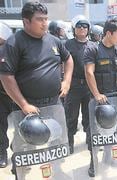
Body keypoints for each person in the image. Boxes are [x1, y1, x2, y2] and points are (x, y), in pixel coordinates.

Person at [0, 2, 73, 176]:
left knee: (55, 142)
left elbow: (68, 59)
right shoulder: (14, 43)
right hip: (27, 108)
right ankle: (21, 173)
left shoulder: (54, 41)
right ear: (26, 22)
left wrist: (67, 81)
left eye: (46, 19)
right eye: (39, 19)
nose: (44, 23)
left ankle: (55, 173)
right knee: (25, 145)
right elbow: (6, 76)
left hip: (54, 104)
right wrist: (24, 104)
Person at [84, 19, 117, 177]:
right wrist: (97, 94)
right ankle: (93, 160)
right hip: (99, 100)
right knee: (95, 132)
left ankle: (108, 156)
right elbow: (89, 72)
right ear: (108, 33)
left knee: (115, 130)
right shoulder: (93, 49)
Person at [64, 15, 95, 154]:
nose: (82, 28)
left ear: (88, 29)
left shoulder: (94, 45)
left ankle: (90, 141)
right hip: (74, 86)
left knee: (89, 116)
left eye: (85, 26)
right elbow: (61, 64)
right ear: (74, 28)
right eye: (79, 26)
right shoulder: (67, 44)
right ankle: (69, 143)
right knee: (71, 116)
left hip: (89, 87)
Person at [0, 22, 13, 168]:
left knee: (20, 125)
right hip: (1, 95)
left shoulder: (12, 49)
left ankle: (22, 153)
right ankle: (2, 152)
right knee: (1, 126)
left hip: (17, 95)